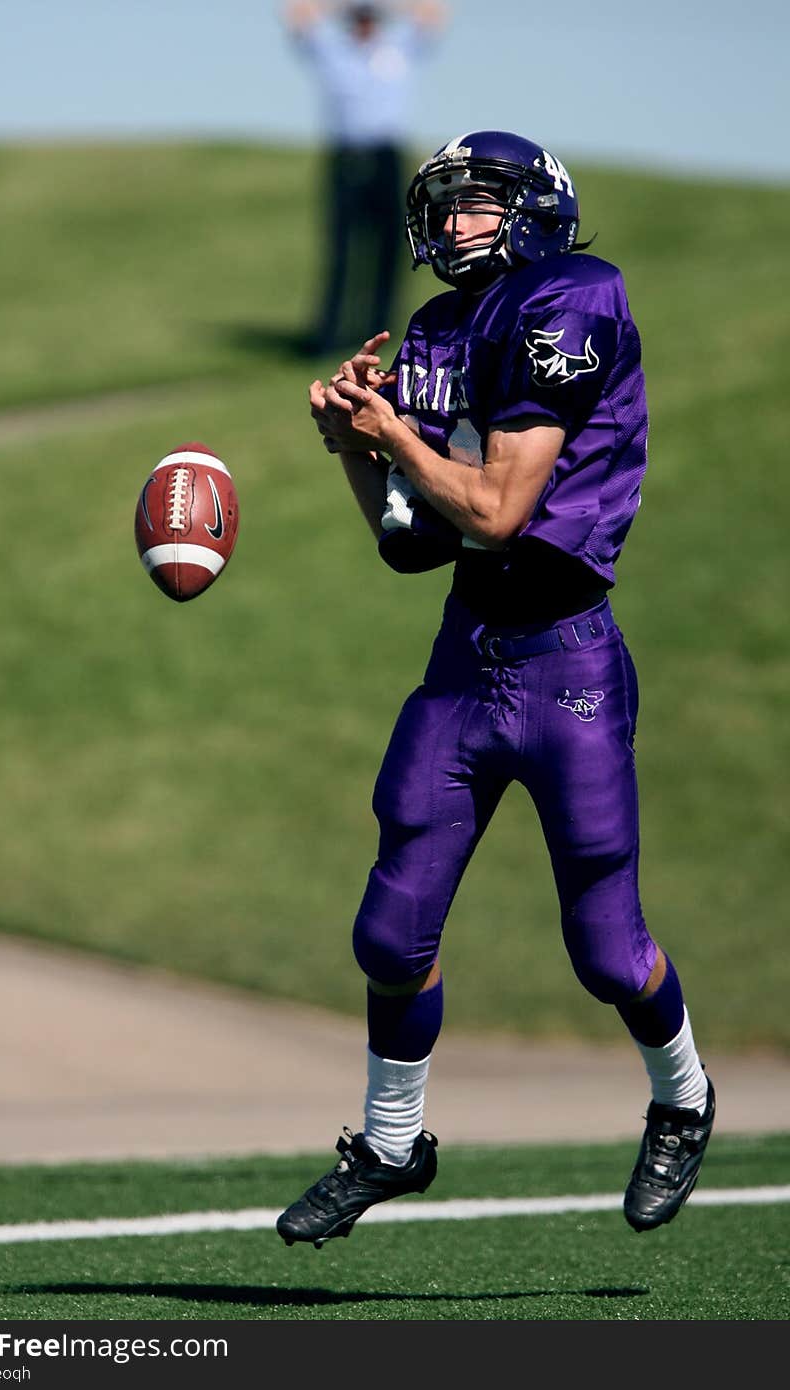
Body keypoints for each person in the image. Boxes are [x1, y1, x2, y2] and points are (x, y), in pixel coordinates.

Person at [276, 129, 715, 1249]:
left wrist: (393, 438)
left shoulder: (573, 297)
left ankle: (683, 1096)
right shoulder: (434, 329)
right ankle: (389, 1142)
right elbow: (415, 541)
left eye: (475, 203)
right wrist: (354, 447)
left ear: (533, 210)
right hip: (466, 654)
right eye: (447, 204)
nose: (452, 222)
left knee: (607, 950)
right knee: (390, 930)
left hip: (567, 658)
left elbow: (501, 512)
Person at [283, 1, 448, 353]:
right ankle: (330, 335)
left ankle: (382, 332)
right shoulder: (333, 52)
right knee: (341, 247)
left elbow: (433, 14)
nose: (364, 24)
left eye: (370, 17)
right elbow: (298, 15)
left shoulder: (398, 48)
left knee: (391, 246)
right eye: (359, 18)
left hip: (387, 157)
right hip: (346, 156)